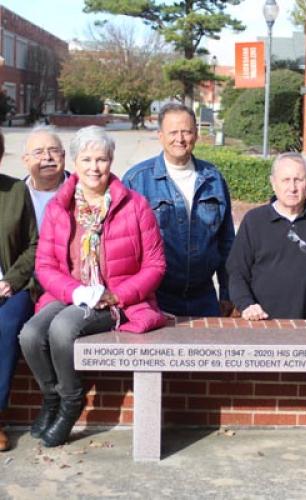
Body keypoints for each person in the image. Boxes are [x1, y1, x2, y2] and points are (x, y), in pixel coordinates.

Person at [20, 126, 167, 448]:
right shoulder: (60, 207)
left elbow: (155, 265)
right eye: (86, 159)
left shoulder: (135, 205)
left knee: (62, 329)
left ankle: (72, 402)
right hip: (70, 293)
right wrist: (74, 292)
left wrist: (118, 295)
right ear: (75, 160)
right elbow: (45, 265)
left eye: (101, 159)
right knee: (30, 334)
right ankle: (51, 398)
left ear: (111, 161)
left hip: (114, 300)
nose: (94, 167)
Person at [122, 102, 235, 318]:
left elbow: (226, 241)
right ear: (160, 136)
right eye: (173, 132)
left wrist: (227, 292)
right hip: (155, 299)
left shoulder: (213, 178)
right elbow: (124, 248)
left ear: (196, 134)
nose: (180, 139)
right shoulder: (136, 180)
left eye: (187, 132)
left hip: (205, 299)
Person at [226, 152, 306, 320]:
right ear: (273, 183)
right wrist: (246, 304)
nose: (292, 187)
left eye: (299, 180)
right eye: (285, 180)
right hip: (264, 321)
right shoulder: (255, 220)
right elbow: (236, 271)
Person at [0, 130, 38, 452]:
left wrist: (10, 281)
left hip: (10, 286)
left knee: (7, 326)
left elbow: (33, 245)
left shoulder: (15, 190)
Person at [22, 125, 69, 229]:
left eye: (54, 150)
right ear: (26, 160)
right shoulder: (15, 196)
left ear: (63, 155)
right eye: (38, 152)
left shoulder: (83, 191)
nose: (47, 157)